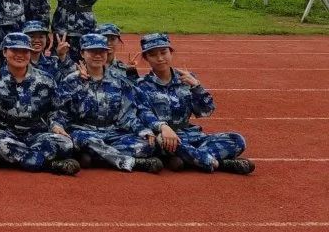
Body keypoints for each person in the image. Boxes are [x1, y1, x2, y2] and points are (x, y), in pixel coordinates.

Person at [136, 33, 253, 174]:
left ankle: (186, 160)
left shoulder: (186, 79)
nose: (160, 58)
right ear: (146, 58)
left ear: (171, 52)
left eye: (163, 52)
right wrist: (163, 127)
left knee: (237, 140)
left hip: (190, 135)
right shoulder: (141, 85)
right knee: (159, 142)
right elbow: (143, 113)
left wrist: (197, 87)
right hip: (163, 137)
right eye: (153, 55)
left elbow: (206, 111)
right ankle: (219, 164)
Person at [0, 32, 79, 175]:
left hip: (38, 134)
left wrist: (56, 125)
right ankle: (51, 165)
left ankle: (11, 158)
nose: (20, 55)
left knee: (65, 143)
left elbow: (56, 109)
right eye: (14, 50)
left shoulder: (46, 79)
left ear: (30, 53)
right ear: (5, 52)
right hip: (7, 134)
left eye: (24, 51)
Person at [55, 33, 162, 173]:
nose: (97, 55)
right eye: (92, 51)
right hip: (84, 131)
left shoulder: (119, 80)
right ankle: (132, 162)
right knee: (83, 141)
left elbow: (127, 115)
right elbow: (60, 110)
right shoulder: (71, 81)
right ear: (82, 53)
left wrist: (142, 130)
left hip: (113, 132)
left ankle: (95, 158)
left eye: (101, 51)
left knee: (148, 145)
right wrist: (58, 125)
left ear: (107, 53)